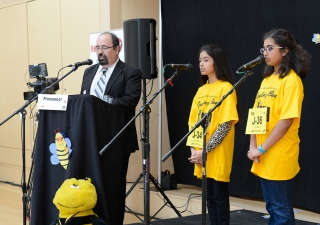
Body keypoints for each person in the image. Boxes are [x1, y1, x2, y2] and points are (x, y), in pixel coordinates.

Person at [247, 28, 311, 225]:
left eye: (270, 48)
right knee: (272, 207)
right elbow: (256, 116)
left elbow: (286, 121)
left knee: (281, 210)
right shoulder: (267, 81)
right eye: (263, 49)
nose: (265, 53)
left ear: (284, 51)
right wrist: (253, 146)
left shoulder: (292, 81)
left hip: (278, 153)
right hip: (261, 153)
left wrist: (261, 148)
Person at [80, 32, 141, 225]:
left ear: (117, 48)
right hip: (90, 137)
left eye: (104, 48)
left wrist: (104, 101)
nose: (99, 52)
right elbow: (84, 101)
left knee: (113, 186)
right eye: (97, 48)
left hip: (117, 139)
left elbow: (129, 101)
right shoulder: (89, 72)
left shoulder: (130, 72)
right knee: (90, 183)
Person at [187, 44, 239, 225]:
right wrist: (195, 149)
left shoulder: (226, 88)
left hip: (216, 152)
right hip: (201, 153)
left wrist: (205, 150)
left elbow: (225, 125)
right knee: (208, 196)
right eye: (200, 60)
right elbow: (192, 123)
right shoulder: (201, 90)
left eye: (206, 60)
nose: (201, 64)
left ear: (217, 62)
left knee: (219, 196)